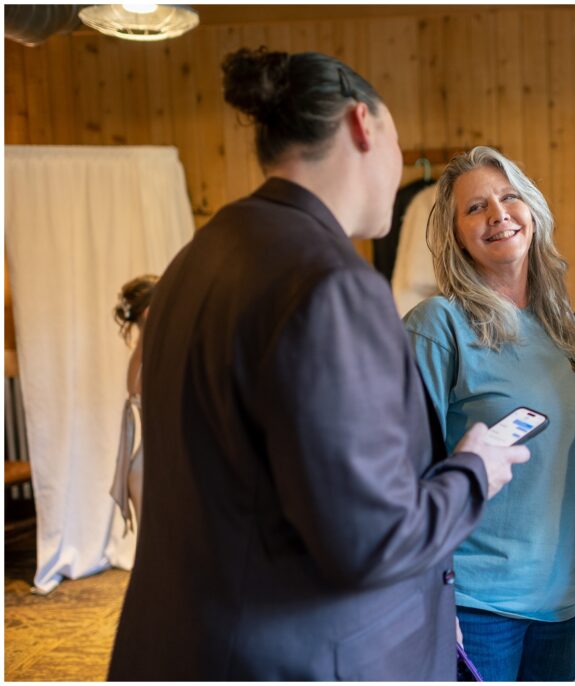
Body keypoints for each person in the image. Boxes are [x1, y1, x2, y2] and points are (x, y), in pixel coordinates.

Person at [107, 48, 529, 681]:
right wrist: (474, 471)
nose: (397, 169)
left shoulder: (202, 254)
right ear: (365, 125)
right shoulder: (330, 283)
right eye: (397, 142)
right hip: (298, 654)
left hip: (186, 643)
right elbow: (369, 539)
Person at [403, 146, 575, 681]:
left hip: (564, 604)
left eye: (508, 197)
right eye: (475, 208)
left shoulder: (566, 332)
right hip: (475, 603)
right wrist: (429, 599)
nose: (497, 214)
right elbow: (407, 475)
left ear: (533, 211)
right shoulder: (438, 325)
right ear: (454, 235)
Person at [109, 274, 157, 535]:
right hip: (155, 468)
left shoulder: (139, 355)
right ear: (150, 312)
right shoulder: (153, 357)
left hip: (144, 465)